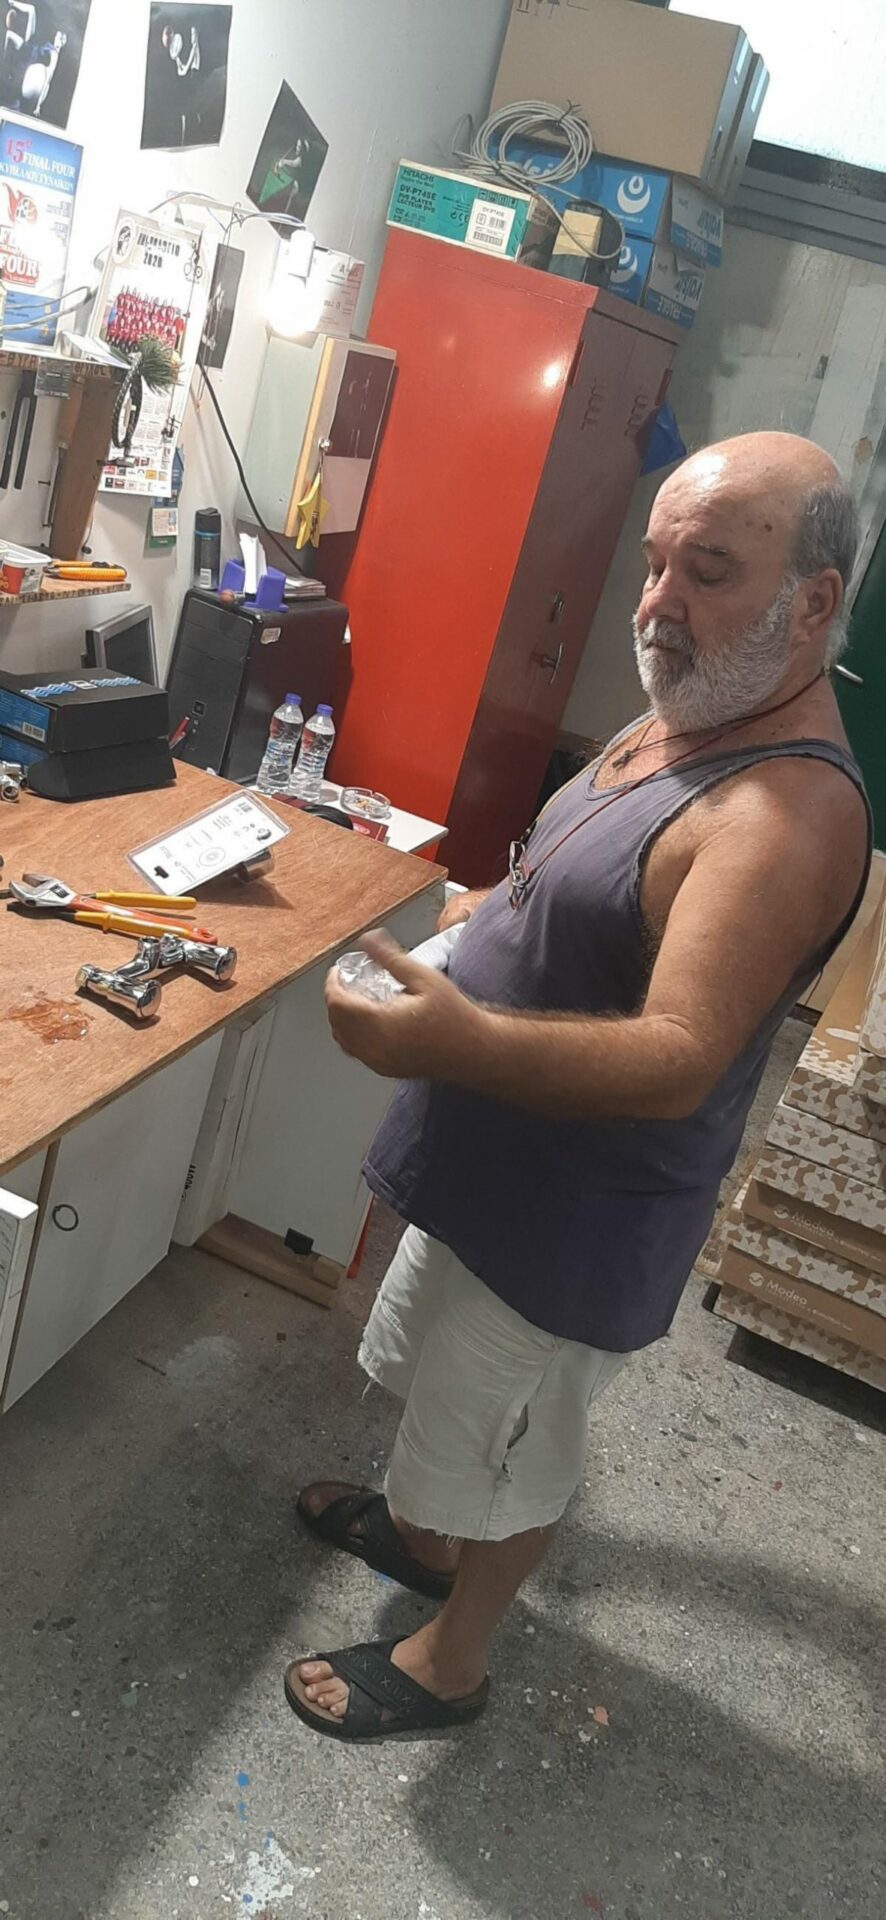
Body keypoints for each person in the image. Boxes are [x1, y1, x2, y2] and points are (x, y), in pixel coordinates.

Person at [285, 431, 872, 1741]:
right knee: (445, 1388)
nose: (658, 604)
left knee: (515, 1445)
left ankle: (452, 1659)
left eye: (706, 572)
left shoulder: (782, 813)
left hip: (576, 1216)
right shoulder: (696, 707)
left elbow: (677, 1056)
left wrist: (453, 1040)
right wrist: (477, 918)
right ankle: (423, 1541)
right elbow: (581, 881)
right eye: (655, 564)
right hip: (497, 1163)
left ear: (814, 601)